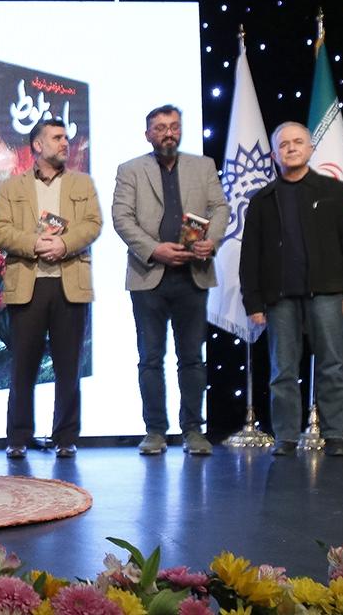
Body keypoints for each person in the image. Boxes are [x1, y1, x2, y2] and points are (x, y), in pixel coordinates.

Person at [110, 104, 228, 455]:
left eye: (174, 126)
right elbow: (122, 217)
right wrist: (154, 250)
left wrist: (212, 241)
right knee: (150, 358)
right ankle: (155, 431)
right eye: (160, 128)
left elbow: (220, 208)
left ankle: (193, 431)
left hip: (193, 274)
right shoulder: (130, 169)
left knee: (192, 358)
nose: (168, 133)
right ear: (148, 134)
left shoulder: (202, 166)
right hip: (149, 275)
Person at [238, 121, 343, 457]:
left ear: (310, 149)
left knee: (331, 365)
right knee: (282, 370)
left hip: (327, 293)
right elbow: (250, 255)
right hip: (280, 298)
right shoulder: (263, 199)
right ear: (274, 155)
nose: (291, 148)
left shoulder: (332, 191)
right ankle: (286, 437)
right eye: (284, 144)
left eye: (297, 142)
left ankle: (335, 435)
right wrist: (253, 302)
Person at [0, 116, 103, 459]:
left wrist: (64, 244)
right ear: (38, 145)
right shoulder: (13, 187)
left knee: (69, 365)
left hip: (70, 283)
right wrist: (35, 244)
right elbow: (0, 231)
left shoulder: (82, 183)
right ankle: (18, 437)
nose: (64, 143)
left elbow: (93, 224)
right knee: (23, 366)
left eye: (65, 137)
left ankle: (65, 437)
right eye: (56, 138)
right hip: (29, 282)